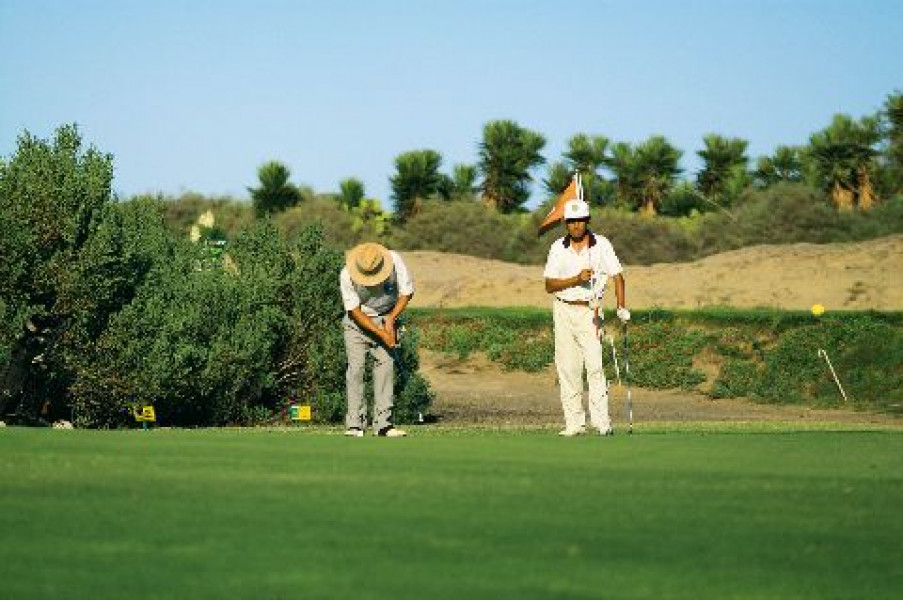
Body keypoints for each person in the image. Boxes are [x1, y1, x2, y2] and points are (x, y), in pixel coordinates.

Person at [543, 198, 630, 436]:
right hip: (563, 309)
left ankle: (602, 423)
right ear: (566, 223)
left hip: (590, 311)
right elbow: (549, 285)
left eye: (580, 220)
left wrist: (621, 307)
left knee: (595, 367)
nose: (576, 225)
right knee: (568, 369)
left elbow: (618, 276)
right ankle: (574, 423)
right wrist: (576, 279)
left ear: (587, 220)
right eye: (571, 221)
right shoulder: (557, 247)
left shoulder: (601, 245)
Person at [339, 242, 414, 437]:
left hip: (386, 316)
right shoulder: (346, 274)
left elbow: (406, 292)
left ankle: (383, 425)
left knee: (386, 367)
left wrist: (391, 320)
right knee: (356, 370)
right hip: (357, 323)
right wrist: (382, 334)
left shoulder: (395, 261)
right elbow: (354, 311)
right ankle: (355, 424)